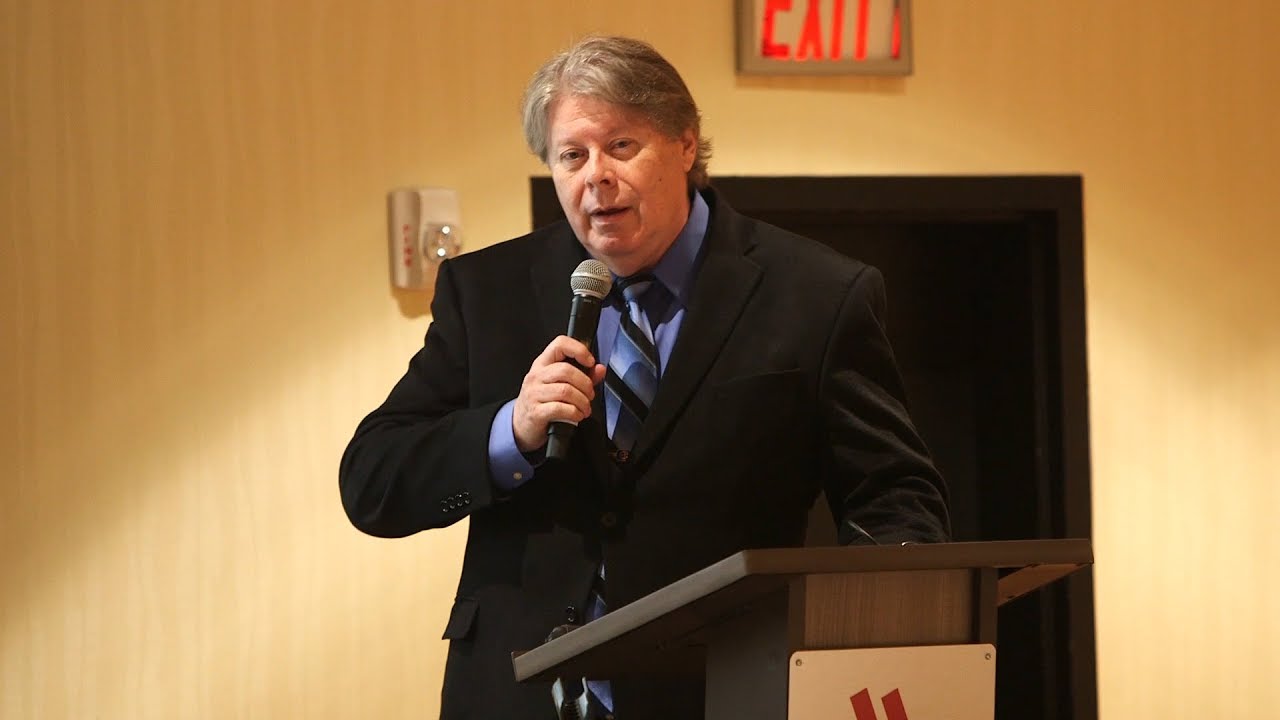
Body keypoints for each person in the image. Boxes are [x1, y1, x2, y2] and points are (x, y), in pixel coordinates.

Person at [339, 35, 949, 720]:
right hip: (515, 696)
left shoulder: (817, 294)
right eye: (572, 156)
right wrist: (511, 429)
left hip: (720, 690)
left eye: (621, 146)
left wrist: (882, 633)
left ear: (686, 145)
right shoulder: (486, 291)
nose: (595, 177)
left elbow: (892, 494)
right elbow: (372, 481)